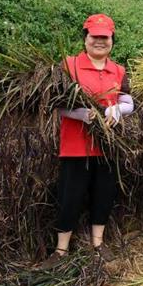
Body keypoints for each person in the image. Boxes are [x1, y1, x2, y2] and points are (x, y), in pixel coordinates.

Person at [42, 14, 134, 267]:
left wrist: (118, 110)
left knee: (103, 194)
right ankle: (60, 251)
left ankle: (98, 244)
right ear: (86, 38)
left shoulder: (119, 70)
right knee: (70, 195)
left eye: (105, 37)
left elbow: (128, 101)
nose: (100, 41)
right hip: (75, 145)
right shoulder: (68, 66)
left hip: (107, 146)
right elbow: (56, 103)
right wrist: (81, 114)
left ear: (112, 41)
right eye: (95, 36)